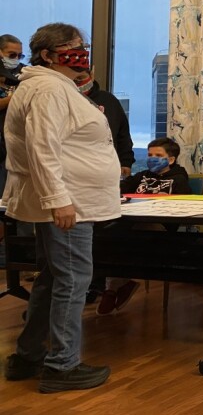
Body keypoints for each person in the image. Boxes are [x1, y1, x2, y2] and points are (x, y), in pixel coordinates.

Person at [2, 23, 115, 393]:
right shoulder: (49, 88)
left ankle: (28, 355)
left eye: (81, 45)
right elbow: (42, 147)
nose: (80, 52)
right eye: (70, 46)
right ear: (48, 55)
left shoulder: (53, 87)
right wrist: (59, 200)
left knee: (52, 278)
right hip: (69, 203)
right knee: (72, 279)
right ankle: (62, 365)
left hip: (70, 199)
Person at [98, 137, 191, 315]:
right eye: (150, 155)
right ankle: (114, 286)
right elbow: (121, 188)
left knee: (121, 238)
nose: (152, 158)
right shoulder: (142, 176)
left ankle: (115, 286)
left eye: (158, 155)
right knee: (106, 234)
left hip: (160, 229)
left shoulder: (179, 178)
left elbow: (184, 202)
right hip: (132, 223)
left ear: (170, 159)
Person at [75, 70, 136, 304]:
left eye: (82, 77)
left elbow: (123, 134)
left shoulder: (109, 101)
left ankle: (100, 283)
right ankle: (92, 283)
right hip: (80, 173)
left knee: (104, 228)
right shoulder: (66, 97)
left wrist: (126, 162)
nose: (79, 81)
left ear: (90, 74)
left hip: (107, 172)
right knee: (89, 232)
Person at [0, 33, 25, 196]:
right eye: (11, 55)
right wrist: (16, 97)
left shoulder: (24, 73)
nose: (16, 58)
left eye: (19, 55)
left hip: (17, 139)